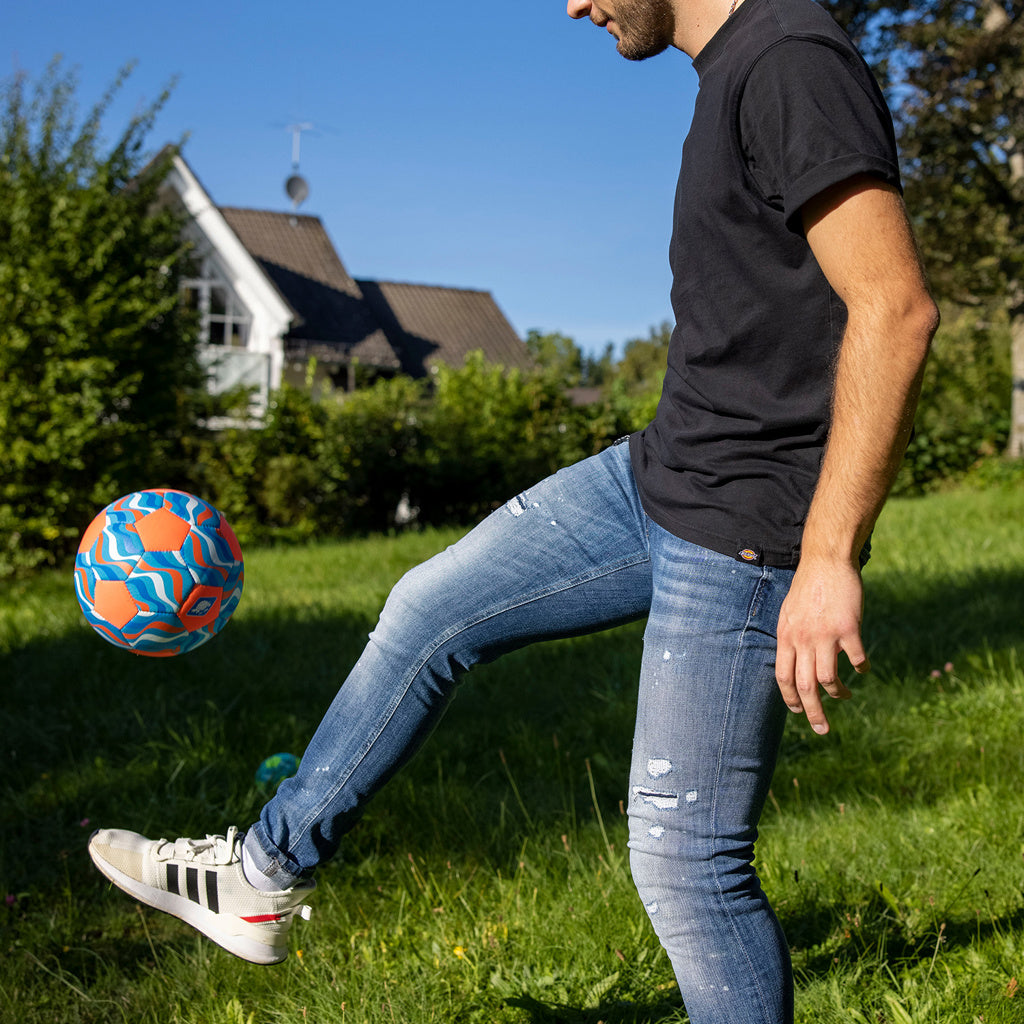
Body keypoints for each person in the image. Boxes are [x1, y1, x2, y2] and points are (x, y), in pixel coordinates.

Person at [88, 0, 938, 1020]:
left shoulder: (790, 59)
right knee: (425, 608)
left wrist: (828, 555)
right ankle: (262, 877)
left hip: (744, 527)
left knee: (686, 867)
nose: (575, 4)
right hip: (658, 474)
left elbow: (894, 307)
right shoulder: (735, 65)